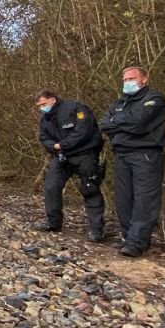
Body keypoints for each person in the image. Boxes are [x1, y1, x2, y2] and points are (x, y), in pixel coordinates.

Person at [100, 67, 165, 258]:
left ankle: (137, 242)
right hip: (122, 154)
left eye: (132, 78)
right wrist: (123, 123)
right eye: (125, 79)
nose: (127, 81)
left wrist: (119, 122)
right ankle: (127, 236)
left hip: (146, 155)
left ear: (144, 79)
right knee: (124, 198)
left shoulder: (154, 99)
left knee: (144, 200)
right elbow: (105, 124)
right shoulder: (120, 103)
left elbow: (139, 123)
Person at [32, 90, 106, 241]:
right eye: (39, 106)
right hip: (61, 156)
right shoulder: (45, 120)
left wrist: (63, 144)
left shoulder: (75, 108)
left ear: (52, 100)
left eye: (44, 104)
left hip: (84, 154)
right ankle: (53, 222)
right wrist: (54, 147)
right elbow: (44, 137)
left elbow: (83, 131)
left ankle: (96, 229)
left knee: (90, 189)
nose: (42, 108)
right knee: (51, 186)